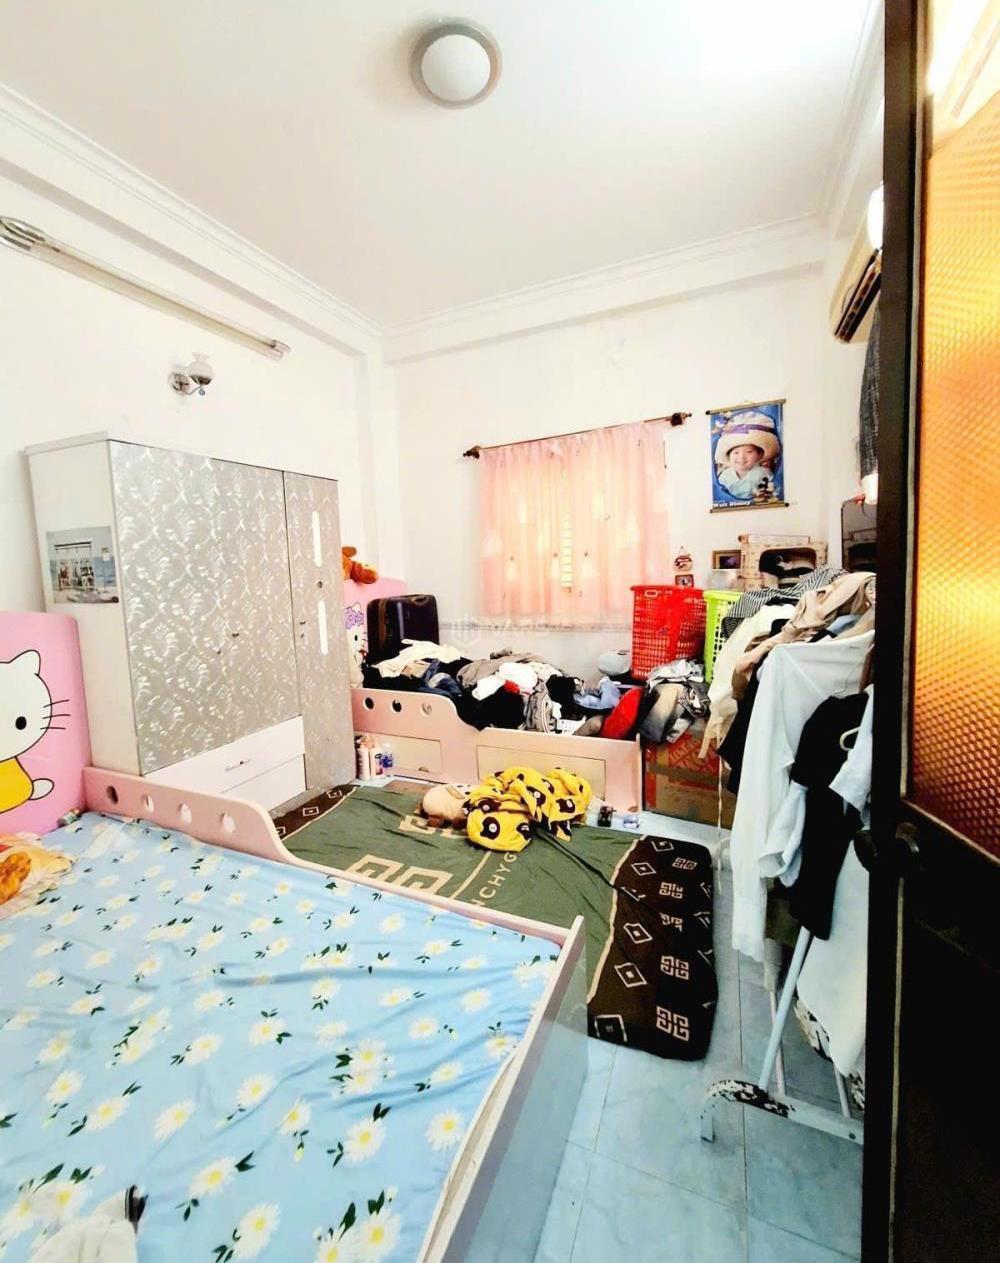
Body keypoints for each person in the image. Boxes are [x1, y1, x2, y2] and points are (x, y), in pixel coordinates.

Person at [714, 411, 782, 501]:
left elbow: (770, 493)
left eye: (749, 452)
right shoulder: (725, 476)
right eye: (736, 453)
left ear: (759, 455)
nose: (741, 457)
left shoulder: (763, 473)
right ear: (729, 456)